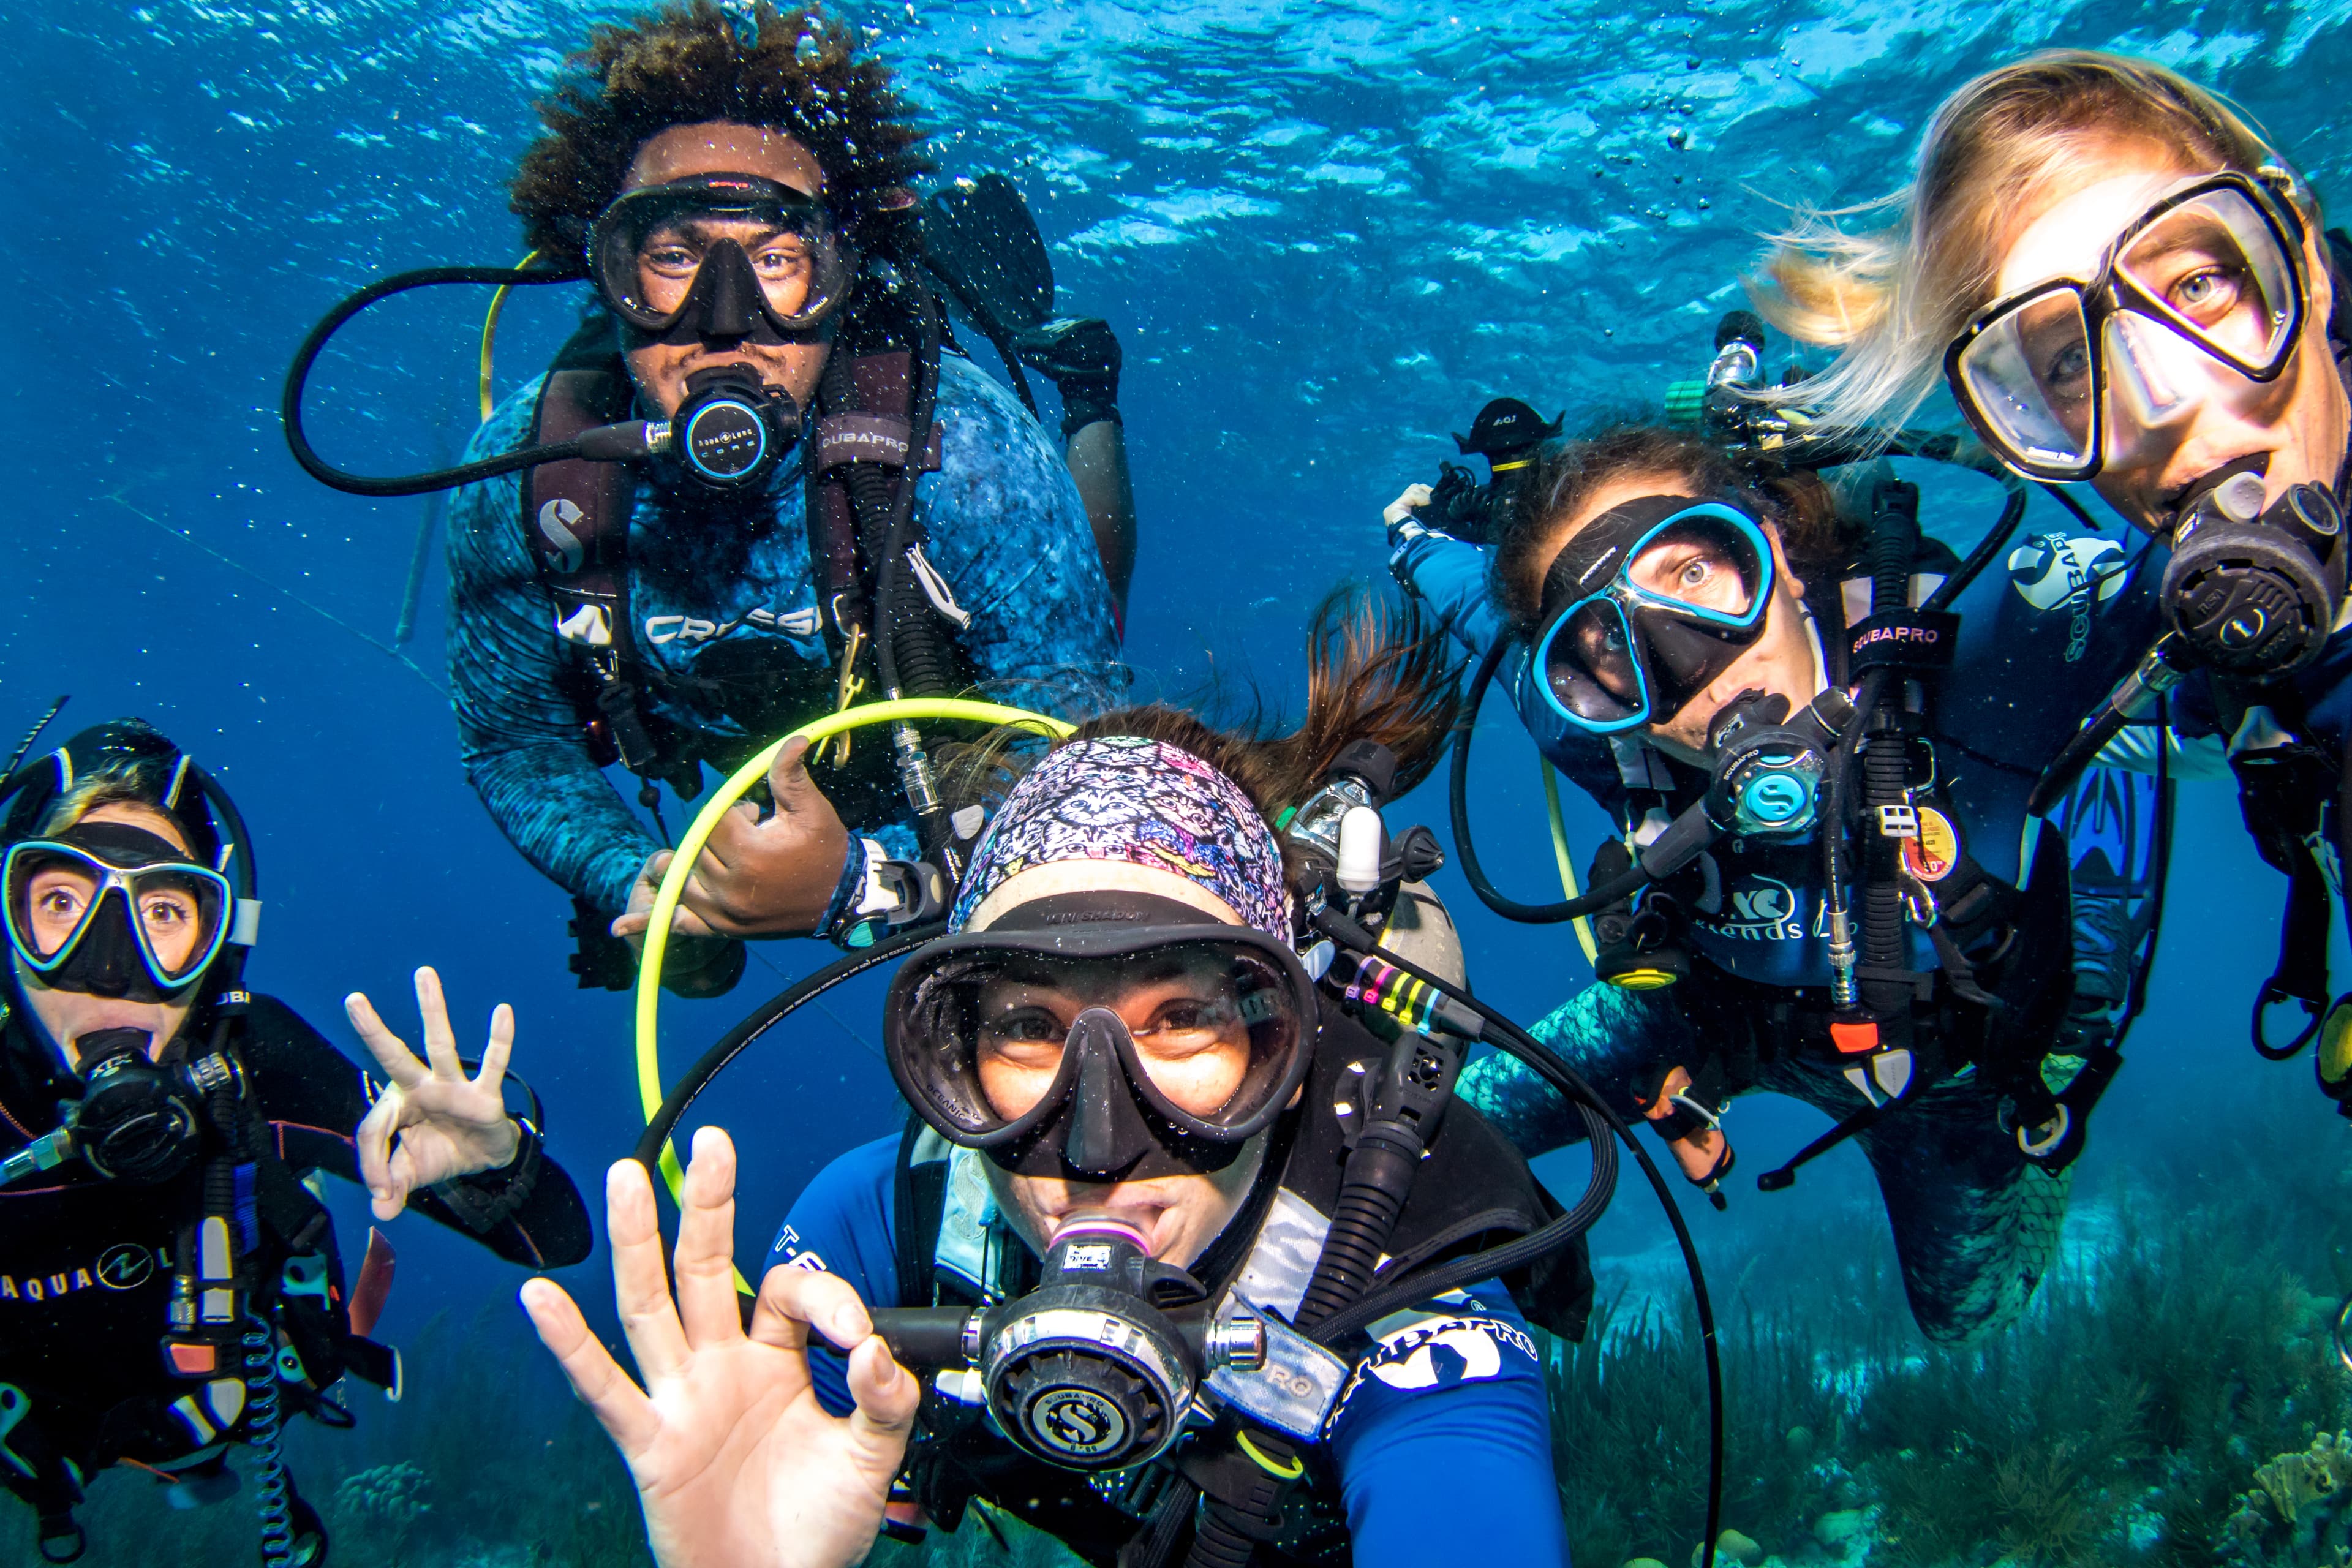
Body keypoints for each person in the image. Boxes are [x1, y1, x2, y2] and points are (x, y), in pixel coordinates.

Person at [522, 599, 1588, 1568]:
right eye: (1030, 1028)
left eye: (1180, 1021)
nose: (1098, 1144)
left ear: (1287, 1045)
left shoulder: (1404, 1289)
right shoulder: (877, 1228)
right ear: (952, 1054)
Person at [1389, 420, 2180, 1343]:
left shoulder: (1987, 651)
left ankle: (2082, 925)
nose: (1693, 670)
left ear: (1774, 547)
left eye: (1692, 575)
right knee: (1411, 1142)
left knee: (1969, 1318)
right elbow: (1474, 608)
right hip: (1702, 1017)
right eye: (1610, 643)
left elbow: (2226, 572)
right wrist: (1411, 539)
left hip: (1946, 1061)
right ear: (1582, 679)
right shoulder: (1589, 727)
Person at [446, 1, 1131, 997]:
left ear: (840, 281)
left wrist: (860, 883)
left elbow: (1081, 739)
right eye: (675, 259)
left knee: (1101, 585)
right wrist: (644, 880)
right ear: (608, 276)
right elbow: (513, 736)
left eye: (777, 261)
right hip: (759, 745)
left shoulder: (968, 451)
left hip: (946, 740)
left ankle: (1087, 391)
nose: (729, 325)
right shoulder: (528, 479)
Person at [1747, 49, 2352, 1080]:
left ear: (2299, 251)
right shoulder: (2162, 612)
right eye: (2069, 363)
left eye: (2198, 284)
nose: (2158, 403)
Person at [0, 720, 592, 1564]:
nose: (109, 965)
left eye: (163, 912)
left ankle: (198, 1473)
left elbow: (558, 1241)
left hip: (231, 1408)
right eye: (61, 902)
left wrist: (491, 1166)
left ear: (216, 947)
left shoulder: (253, 1065)